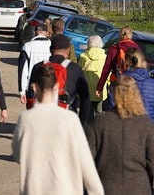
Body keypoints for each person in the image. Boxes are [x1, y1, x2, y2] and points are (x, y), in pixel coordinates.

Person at [12, 65, 104, 195]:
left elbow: (17, 154)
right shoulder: (70, 119)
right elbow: (86, 162)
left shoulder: (26, 119)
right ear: (57, 87)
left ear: (34, 87)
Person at [86, 74, 154, 195]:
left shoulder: (101, 122)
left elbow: (87, 158)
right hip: (139, 187)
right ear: (136, 94)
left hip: (106, 186)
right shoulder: (146, 125)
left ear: (114, 94)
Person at [29, 34, 91, 127]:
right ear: (68, 50)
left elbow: (30, 95)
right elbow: (86, 99)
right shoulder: (75, 69)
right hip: (67, 121)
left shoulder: (38, 67)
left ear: (50, 49)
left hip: (41, 120)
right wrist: (82, 124)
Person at [124, 47, 154, 149]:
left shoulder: (120, 83)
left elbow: (111, 107)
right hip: (146, 136)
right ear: (144, 62)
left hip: (123, 133)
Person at [95, 26, 141, 99]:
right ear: (131, 35)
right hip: (132, 83)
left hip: (116, 82)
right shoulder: (137, 48)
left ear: (120, 35)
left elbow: (106, 69)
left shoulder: (114, 49)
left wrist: (99, 88)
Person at [18, 23, 51, 107]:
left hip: (32, 88)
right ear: (46, 33)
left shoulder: (27, 47)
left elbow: (23, 71)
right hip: (49, 87)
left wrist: (22, 91)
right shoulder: (51, 46)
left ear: (35, 32)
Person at [78, 35, 107, 123]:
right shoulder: (104, 57)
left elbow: (79, 71)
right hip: (100, 89)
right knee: (99, 112)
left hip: (87, 89)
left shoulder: (83, 56)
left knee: (88, 112)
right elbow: (107, 73)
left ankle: (88, 130)